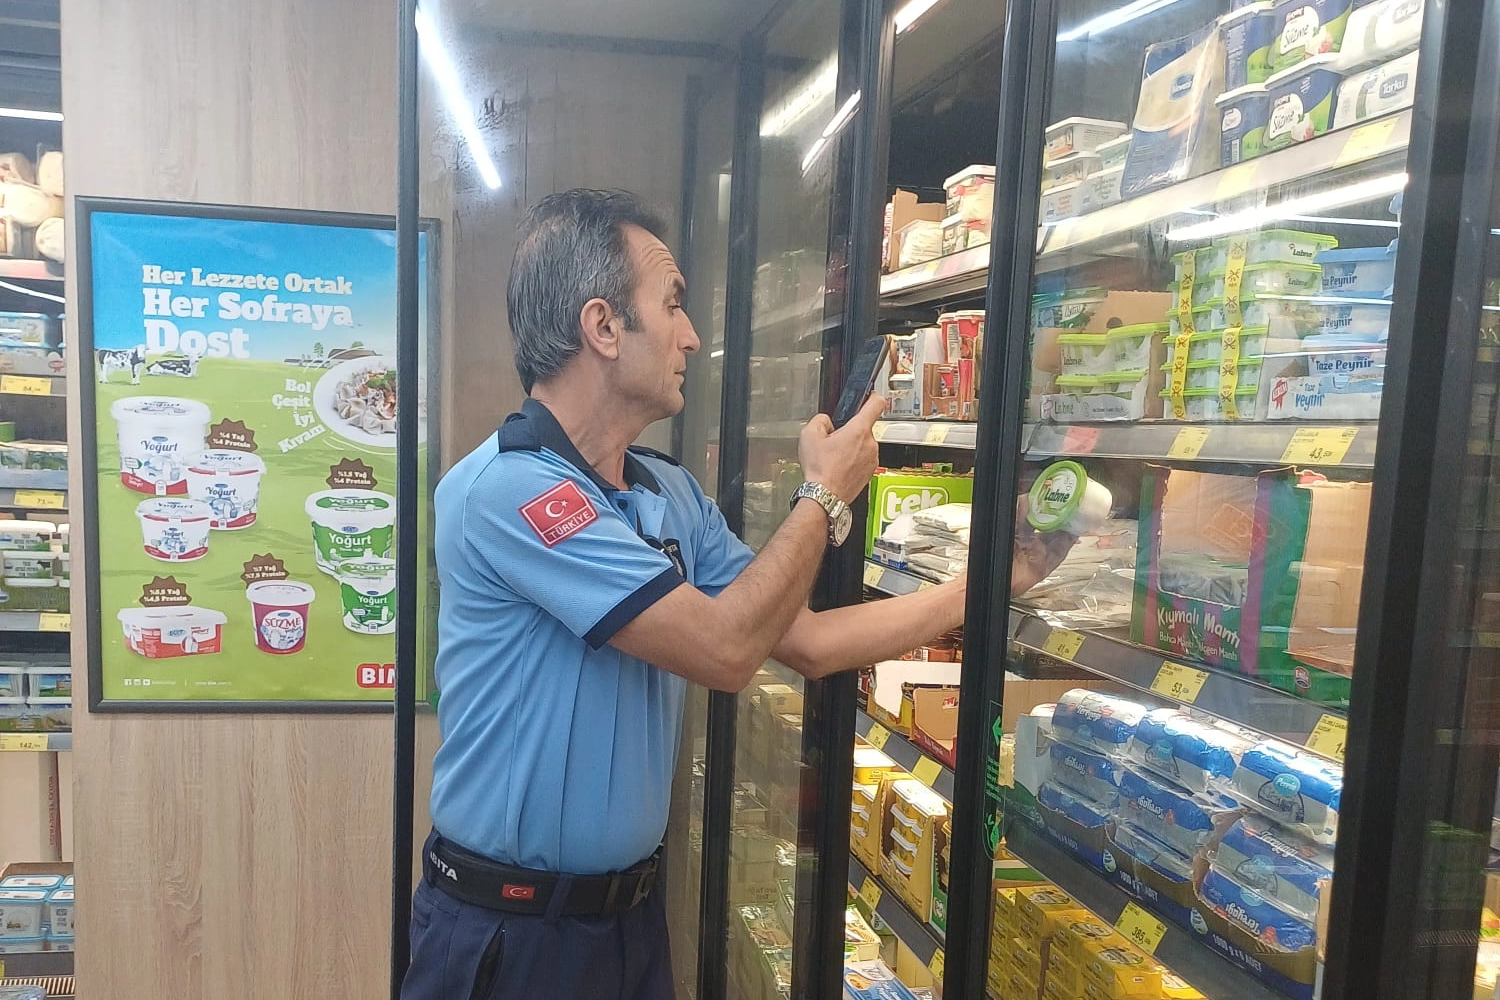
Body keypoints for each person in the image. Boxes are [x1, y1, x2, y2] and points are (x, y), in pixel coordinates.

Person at [403, 189, 1071, 1000]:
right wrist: (823, 497)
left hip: (628, 925)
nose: (690, 335)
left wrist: (987, 585)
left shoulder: (668, 493)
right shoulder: (511, 492)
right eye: (672, 303)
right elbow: (724, 650)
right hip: (511, 936)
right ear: (603, 327)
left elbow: (807, 640)